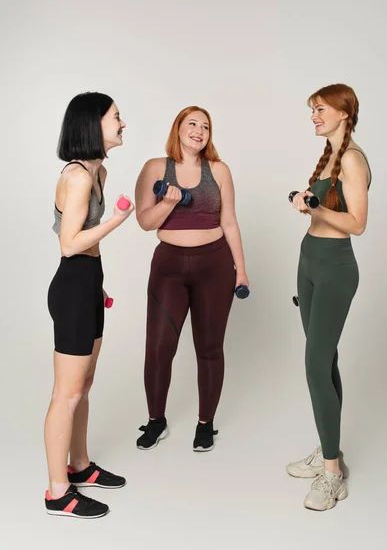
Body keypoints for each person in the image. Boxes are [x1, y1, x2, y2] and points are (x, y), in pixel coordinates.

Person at [134, 106, 249, 452]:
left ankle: (205, 424)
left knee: (210, 348)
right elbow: (144, 221)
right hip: (168, 266)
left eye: (206, 126)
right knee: (158, 348)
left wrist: (240, 270)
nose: (199, 131)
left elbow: (229, 221)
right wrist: (169, 203)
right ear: (178, 129)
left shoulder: (219, 170)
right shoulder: (156, 167)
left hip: (214, 265)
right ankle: (156, 421)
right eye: (192, 124)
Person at [44, 92, 134, 518]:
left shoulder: (98, 171)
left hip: (88, 284)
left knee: (85, 384)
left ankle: (78, 466)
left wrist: (98, 287)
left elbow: (85, 247)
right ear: (92, 125)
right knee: (67, 392)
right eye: (116, 117)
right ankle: (58, 492)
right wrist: (117, 221)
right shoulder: (79, 176)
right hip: (72, 285)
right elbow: (69, 245)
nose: (122, 123)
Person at [287, 84, 371, 511]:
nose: (314, 116)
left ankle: (333, 474)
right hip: (309, 262)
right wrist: (305, 203)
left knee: (315, 365)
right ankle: (327, 447)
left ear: (343, 112)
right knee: (327, 361)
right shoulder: (330, 158)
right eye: (313, 110)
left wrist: (314, 209)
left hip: (336, 268)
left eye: (320, 109)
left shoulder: (353, 160)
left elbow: (357, 224)